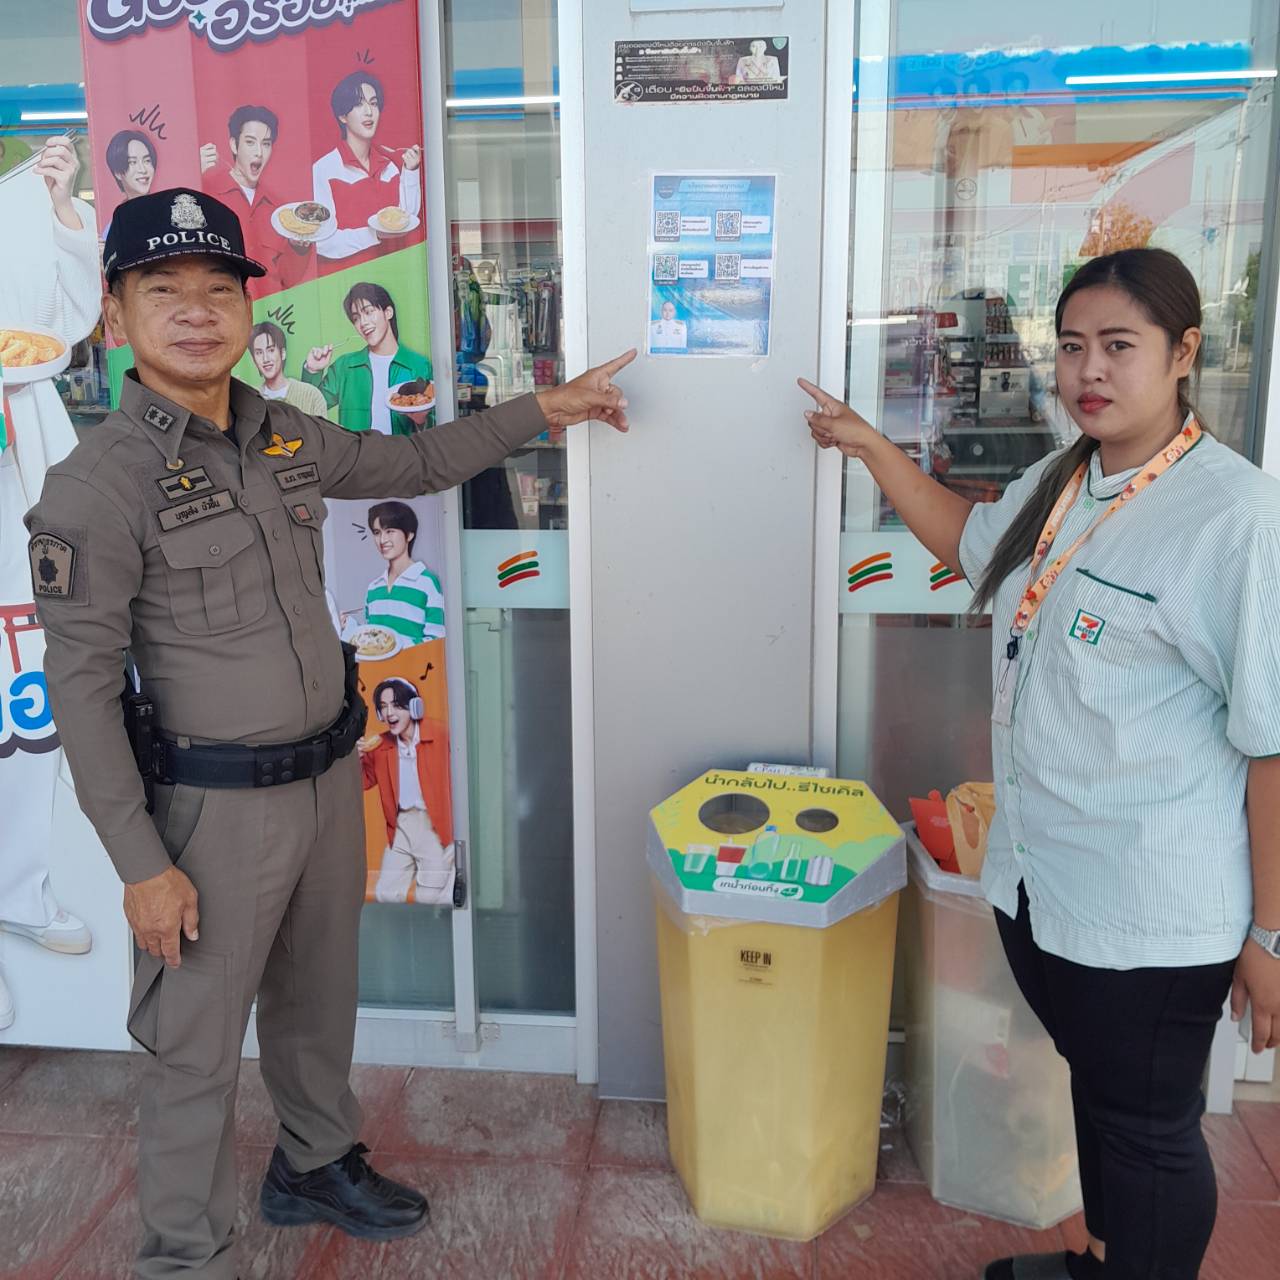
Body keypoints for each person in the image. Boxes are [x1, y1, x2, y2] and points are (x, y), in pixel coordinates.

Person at [25, 185, 635, 1280]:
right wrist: (142, 868)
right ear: (114, 315)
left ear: (247, 308)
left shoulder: (282, 433)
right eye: (163, 290)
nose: (197, 312)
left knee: (316, 1002)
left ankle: (311, 1162)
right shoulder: (95, 488)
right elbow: (78, 693)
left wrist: (545, 408)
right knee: (193, 1050)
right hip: (209, 814)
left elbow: (414, 465)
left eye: (219, 289)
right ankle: (185, 1256)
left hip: (321, 780)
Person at [800, 247, 1280, 1280]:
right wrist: (868, 445)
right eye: (1070, 346)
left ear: (1184, 352)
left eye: (1118, 346)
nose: (1088, 371)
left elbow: (1271, 743)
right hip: (1042, 881)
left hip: (1149, 909)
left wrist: (1270, 933)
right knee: (1099, 1093)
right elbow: (968, 542)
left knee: (1148, 1131)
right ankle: (1100, 1257)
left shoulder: (1234, 517)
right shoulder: (1066, 478)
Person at [0, 134, 101, 1026]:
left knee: (26, 689)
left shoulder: (23, 193)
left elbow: (73, 320)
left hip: (23, 462)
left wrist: (65, 204)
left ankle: (20, 890)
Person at [200, 105, 313, 298]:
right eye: (250, 142)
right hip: (224, 306)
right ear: (234, 145)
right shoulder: (206, 193)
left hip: (270, 311)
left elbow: (288, 278)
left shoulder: (279, 209)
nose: (259, 152)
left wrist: (299, 248)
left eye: (266, 144)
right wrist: (192, 174)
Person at [358, 677, 453, 905]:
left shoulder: (441, 734)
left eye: (396, 705)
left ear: (414, 706)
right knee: (385, 893)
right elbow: (362, 782)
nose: (389, 713)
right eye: (383, 707)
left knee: (429, 897)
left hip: (433, 825)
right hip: (400, 826)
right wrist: (355, 760)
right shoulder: (380, 746)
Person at [312, 70, 422, 261]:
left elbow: (407, 218)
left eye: (373, 103)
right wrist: (374, 234)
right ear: (342, 116)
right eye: (358, 104)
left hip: (394, 270)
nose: (369, 112)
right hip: (346, 275)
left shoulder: (390, 167)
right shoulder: (324, 169)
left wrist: (411, 171)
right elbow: (324, 243)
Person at [302, 282, 432, 434]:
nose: (363, 323)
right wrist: (312, 371)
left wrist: (421, 420)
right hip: (356, 449)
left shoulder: (418, 365)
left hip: (403, 449)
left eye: (369, 312)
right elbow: (308, 410)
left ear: (388, 312)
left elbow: (439, 427)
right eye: (356, 318)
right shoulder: (344, 367)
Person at [361, 501, 444, 646]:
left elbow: (436, 641)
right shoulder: (373, 588)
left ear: (409, 535)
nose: (382, 540)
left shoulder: (427, 582)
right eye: (377, 532)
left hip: (415, 662)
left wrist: (394, 646)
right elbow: (371, 641)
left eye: (390, 531)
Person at [248, 321, 327, 414]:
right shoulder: (250, 400)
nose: (265, 359)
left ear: (283, 353)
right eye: (259, 353)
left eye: (271, 350)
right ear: (254, 360)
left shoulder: (311, 395)